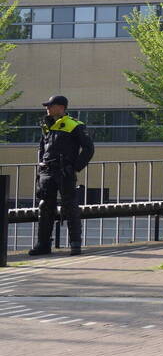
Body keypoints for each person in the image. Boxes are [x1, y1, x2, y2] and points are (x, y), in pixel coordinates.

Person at [29, 95, 95, 256]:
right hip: (47, 172)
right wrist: (40, 164)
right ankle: (43, 244)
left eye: (51, 105)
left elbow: (88, 148)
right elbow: (42, 147)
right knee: (44, 207)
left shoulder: (74, 125)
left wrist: (75, 167)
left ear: (61, 107)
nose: (47, 108)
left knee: (70, 206)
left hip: (64, 172)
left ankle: (75, 244)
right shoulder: (47, 125)